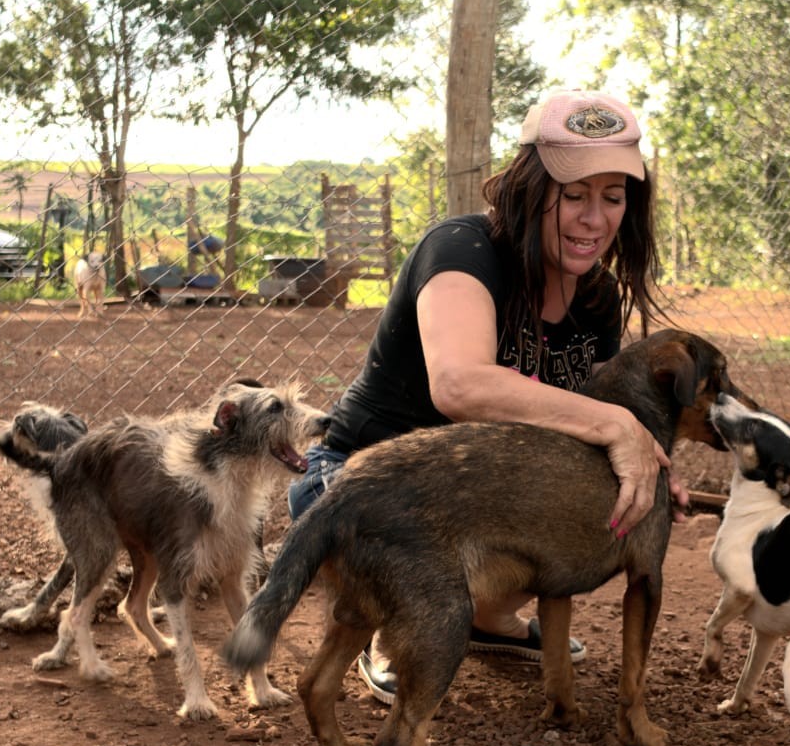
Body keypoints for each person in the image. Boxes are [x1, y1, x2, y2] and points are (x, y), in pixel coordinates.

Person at [287, 88, 680, 703]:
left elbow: (591, 421)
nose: (594, 219)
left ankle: (483, 618)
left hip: (471, 505)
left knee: (611, 504)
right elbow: (459, 384)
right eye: (573, 196)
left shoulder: (596, 297)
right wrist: (615, 426)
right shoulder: (464, 251)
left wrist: (646, 463)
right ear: (530, 191)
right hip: (360, 491)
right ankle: (382, 623)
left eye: (613, 197)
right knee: (428, 546)